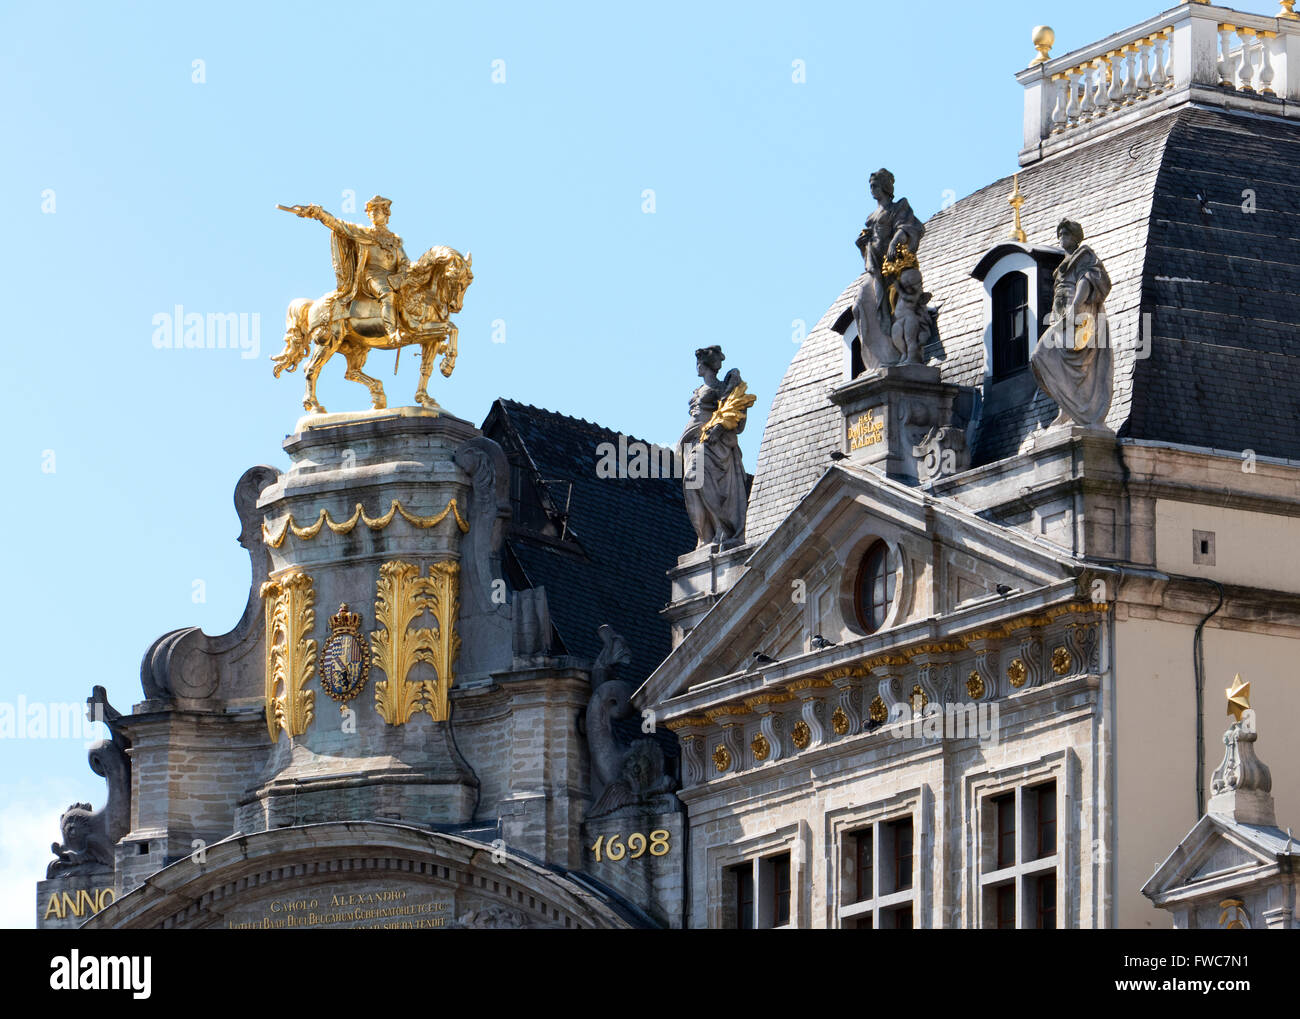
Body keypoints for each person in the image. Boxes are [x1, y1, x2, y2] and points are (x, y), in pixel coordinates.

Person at [295, 196, 411, 346]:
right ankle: (392, 333)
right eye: (371, 211)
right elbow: (338, 225)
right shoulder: (363, 233)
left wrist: (402, 276)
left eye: (377, 210)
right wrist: (318, 213)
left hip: (394, 277)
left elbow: (404, 262)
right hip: (373, 276)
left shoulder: (395, 240)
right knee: (387, 295)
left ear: (386, 213)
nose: (373, 213)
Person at [1030, 219, 1113, 428]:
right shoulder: (1064, 264)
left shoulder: (1084, 256)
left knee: (1071, 364)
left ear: (1075, 237)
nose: (1061, 239)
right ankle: (1067, 409)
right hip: (1061, 316)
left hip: (1078, 315)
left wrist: (1076, 305)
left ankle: (1076, 411)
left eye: (1065, 234)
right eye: (1060, 234)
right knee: (1041, 356)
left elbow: (1088, 279)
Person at [852, 168, 927, 370]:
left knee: (899, 311)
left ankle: (895, 354)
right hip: (875, 268)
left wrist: (894, 241)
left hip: (893, 270)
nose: (872, 189)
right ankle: (876, 360)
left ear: (885, 186)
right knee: (859, 304)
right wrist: (863, 244)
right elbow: (870, 243)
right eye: (870, 186)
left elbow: (910, 228)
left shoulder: (899, 207)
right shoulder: (871, 217)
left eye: (875, 185)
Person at [678, 346, 750, 549]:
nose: (697, 368)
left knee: (695, 477)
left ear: (704, 365)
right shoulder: (699, 390)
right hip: (693, 441)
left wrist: (718, 429)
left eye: (699, 364)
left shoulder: (721, 388)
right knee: (691, 484)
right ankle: (705, 536)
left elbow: (734, 413)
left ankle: (722, 527)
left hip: (710, 442)